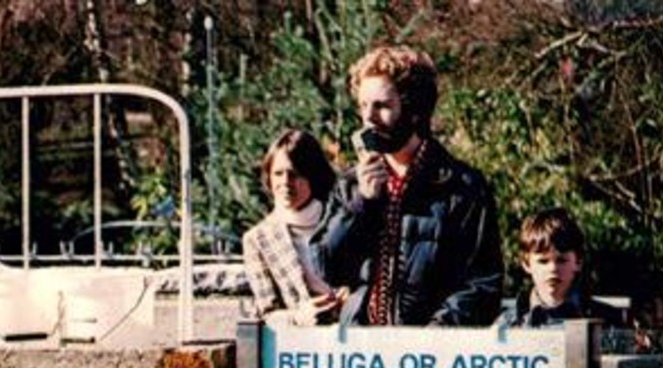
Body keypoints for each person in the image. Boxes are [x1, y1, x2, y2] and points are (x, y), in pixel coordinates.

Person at [313, 45, 503, 327]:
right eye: (363, 106)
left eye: (382, 106)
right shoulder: (351, 185)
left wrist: (430, 338)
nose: (369, 118)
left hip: (431, 355)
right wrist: (360, 205)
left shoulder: (461, 187)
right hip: (361, 351)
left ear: (414, 110)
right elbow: (327, 268)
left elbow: (483, 284)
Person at [241, 129, 346, 325]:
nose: (285, 183)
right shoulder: (257, 239)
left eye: (295, 174)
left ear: (313, 176)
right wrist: (297, 318)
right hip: (298, 347)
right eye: (278, 174)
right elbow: (266, 312)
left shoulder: (342, 219)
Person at [499, 207, 624, 328]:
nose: (553, 268)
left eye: (561, 260)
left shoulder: (607, 321)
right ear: (526, 264)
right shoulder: (506, 326)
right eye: (543, 261)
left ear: (578, 262)